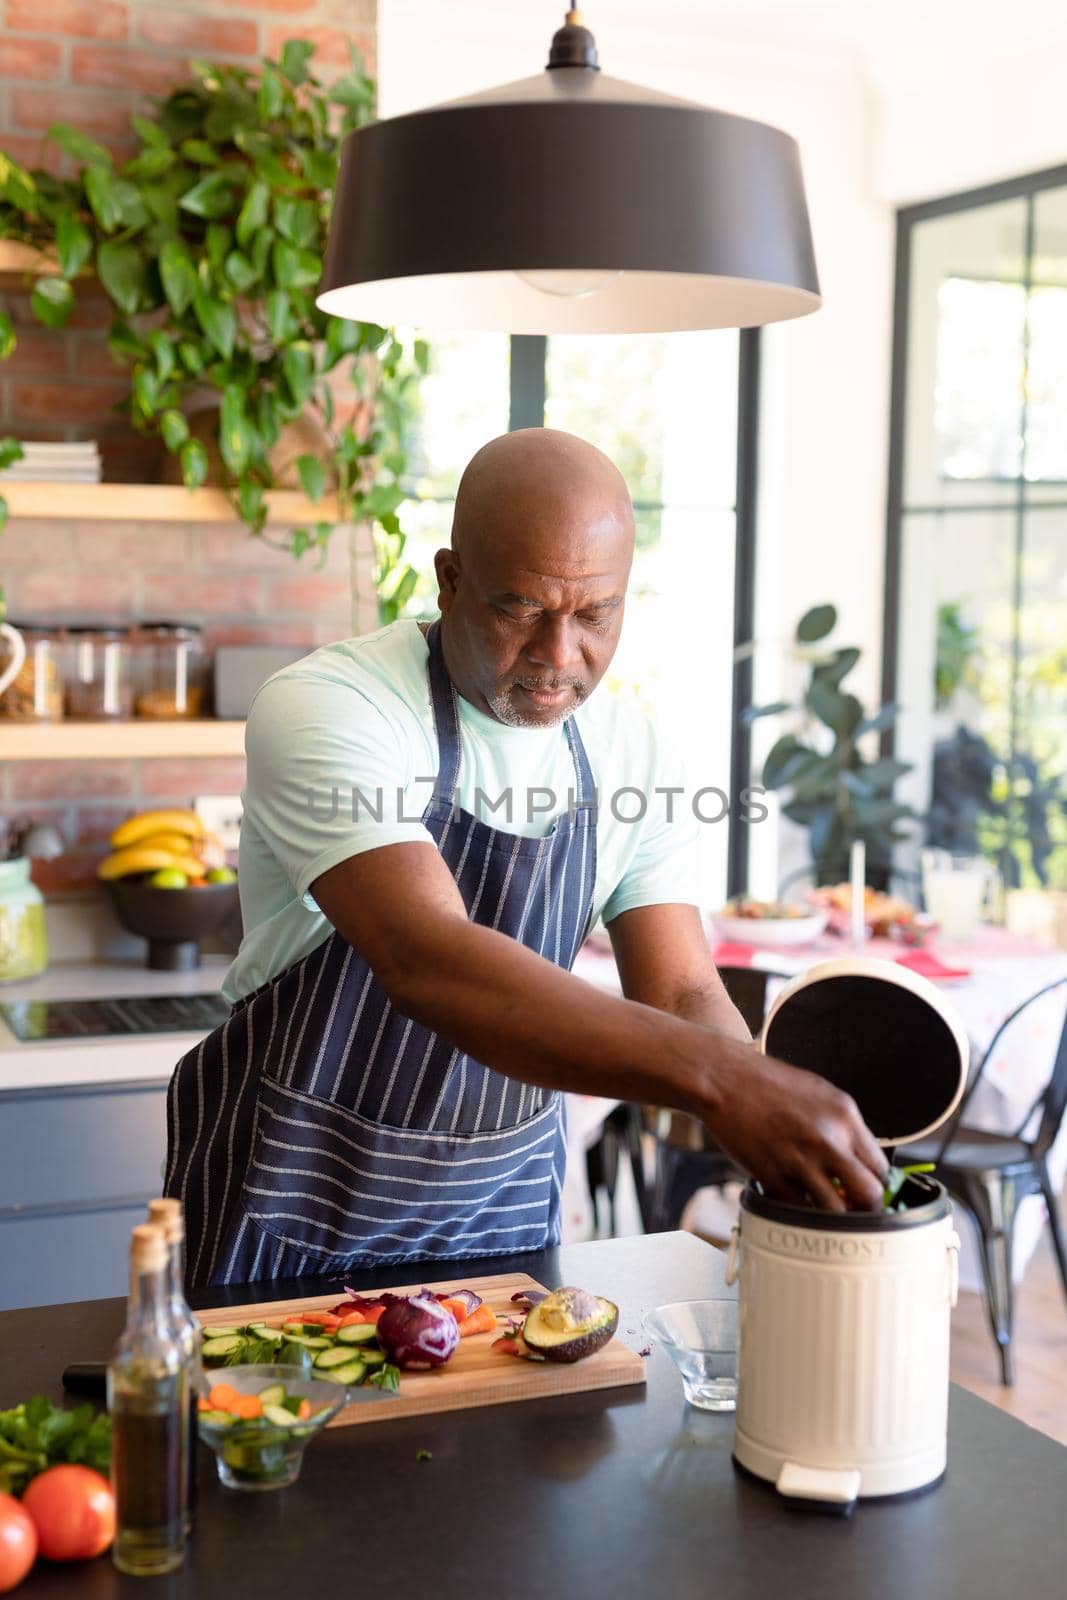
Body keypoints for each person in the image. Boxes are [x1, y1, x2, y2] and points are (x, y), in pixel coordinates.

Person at [165, 428, 887, 1288]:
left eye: (594, 614)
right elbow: (428, 958)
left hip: (502, 1231)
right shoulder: (331, 707)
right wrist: (728, 1081)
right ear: (450, 578)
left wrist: (777, 1136)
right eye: (520, 609)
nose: (558, 655)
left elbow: (685, 989)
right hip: (287, 1221)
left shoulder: (632, 753)